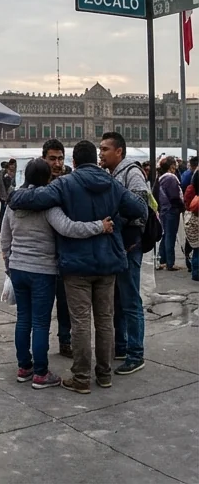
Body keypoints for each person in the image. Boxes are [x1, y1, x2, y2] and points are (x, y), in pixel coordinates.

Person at [10, 141, 147, 394]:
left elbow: (35, 197)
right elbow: (140, 208)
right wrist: (116, 219)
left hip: (76, 265)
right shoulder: (112, 184)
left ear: (74, 160)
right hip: (108, 263)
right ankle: (104, 375)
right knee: (105, 320)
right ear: (95, 159)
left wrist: (13, 196)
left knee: (81, 322)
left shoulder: (65, 184)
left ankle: (82, 378)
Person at [1, 159, 114, 390]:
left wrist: (9, 264)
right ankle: (41, 373)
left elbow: (5, 239)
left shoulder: (14, 205)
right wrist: (99, 226)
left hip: (18, 269)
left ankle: (24, 368)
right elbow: (69, 228)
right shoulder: (49, 205)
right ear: (47, 179)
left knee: (23, 319)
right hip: (42, 271)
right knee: (41, 322)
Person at [101, 132, 154, 376]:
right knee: (119, 299)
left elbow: (142, 208)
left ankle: (136, 353)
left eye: (105, 149)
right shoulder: (113, 173)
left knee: (131, 300)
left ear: (119, 151)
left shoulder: (131, 173)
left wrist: (118, 222)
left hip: (129, 246)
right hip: (119, 245)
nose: (101, 153)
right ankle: (121, 346)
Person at [39, 140, 73, 358]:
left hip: (65, 249)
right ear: (44, 158)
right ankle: (40, 346)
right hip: (42, 250)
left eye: (60, 158)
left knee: (65, 300)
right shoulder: (38, 181)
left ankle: (65, 340)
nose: (57, 163)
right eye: (52, 158)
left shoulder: (70, 181)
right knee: (42, 304)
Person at [157, 156, 183, 272]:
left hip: (164, 209)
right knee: (170, 236)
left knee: (166, 234)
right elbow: (174, 196)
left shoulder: (162, 178)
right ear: (172, 165)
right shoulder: (171, 178)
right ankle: (170, 263)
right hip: (171, 209)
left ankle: (162, 260)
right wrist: (181, 206)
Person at [0, 159, 17, 226]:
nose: (13, 167)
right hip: (5, 196)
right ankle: (1, 224)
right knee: (4, 210)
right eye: (13, 165)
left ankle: (1, 224)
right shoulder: (6, 174)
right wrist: (6, 197)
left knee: (3, 210)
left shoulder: (3, 173)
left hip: (4, 195)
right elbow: (6, 186)